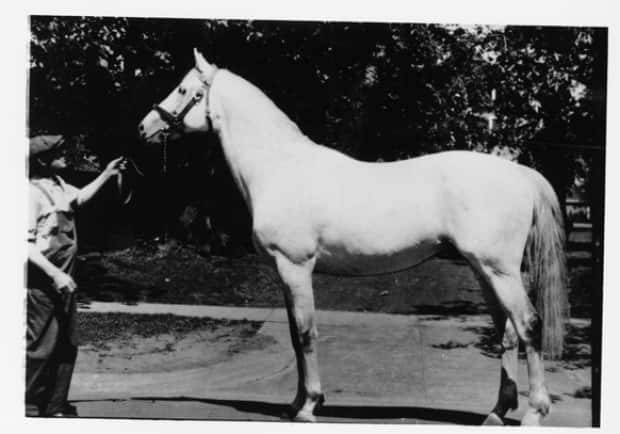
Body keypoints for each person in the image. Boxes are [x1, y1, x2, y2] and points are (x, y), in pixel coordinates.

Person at [26, 135, 126, 417]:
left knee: (66, 344)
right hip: (42, 281)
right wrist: (55, 274)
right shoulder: (29, 194)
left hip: (65, 280)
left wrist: (107, 173)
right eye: (60, 153)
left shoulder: (58, 185)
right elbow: (24, 246)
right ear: (43, 160)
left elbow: (79, 197)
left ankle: (55, 405)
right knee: (40, 348)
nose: (66, 156)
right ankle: (26, 407)